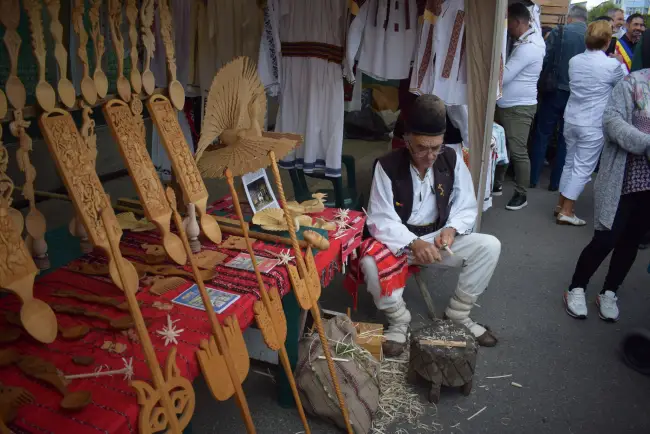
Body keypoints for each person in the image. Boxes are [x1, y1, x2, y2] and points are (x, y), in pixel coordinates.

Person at [348, 95, 501, 356]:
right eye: (421, 147)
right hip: (400, 243)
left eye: (436, 147)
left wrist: (451, 230)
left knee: (489, 246)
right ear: (407, 140)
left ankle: (458, 313)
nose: (430, 155)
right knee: (370, 263)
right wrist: (413, 243)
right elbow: (380, 218)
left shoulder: (451, 158)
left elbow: (466, 205)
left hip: (438, 240)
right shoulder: (387, 166)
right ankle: (398, 321)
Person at [563, 68, 650, 322]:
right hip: (623, 177)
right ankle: (576, 287)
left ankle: (609, 292)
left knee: (631, 241)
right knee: (606, 238)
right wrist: (646, 143)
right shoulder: (631, 83)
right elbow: (611, 122)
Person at [555, 21, 625, 226]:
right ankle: (567, 210)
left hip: (572, 118)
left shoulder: (574, 61)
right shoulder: (612, 66)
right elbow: (622, 87)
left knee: (570, 162)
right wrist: (619, 62)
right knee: (583, 168)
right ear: (607, 41)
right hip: (593, 122)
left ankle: (561, 205)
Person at [529, 5, 587, 192]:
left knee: (542, 133)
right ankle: (556, 182)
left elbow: (545, 59)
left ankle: (533, 177)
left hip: (553, 90)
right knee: (565, 138)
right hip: (577, 94)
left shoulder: (560, 31)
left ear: (569, 17)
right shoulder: (591, 35)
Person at [493, 2, 545, 210]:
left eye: (509, 24)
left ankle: (521, 194)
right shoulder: (525, 41)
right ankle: (496, 184)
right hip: (509, 105)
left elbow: (503, 76)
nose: (507, 29)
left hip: (518, 108)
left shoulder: (529, 47)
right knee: (498, 146)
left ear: (516, 22)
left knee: (517, 151)